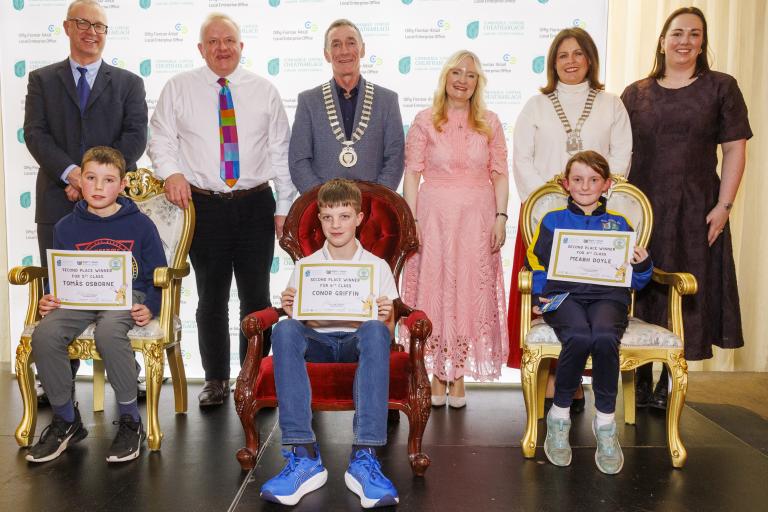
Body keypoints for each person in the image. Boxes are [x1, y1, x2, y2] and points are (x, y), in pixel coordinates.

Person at [148, 13, 296, 407]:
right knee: (210, 297)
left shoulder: (264, 90)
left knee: (257, 299)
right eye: (212, 41)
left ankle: (257, 378)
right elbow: (160, 139)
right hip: (204, 207)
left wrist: (283, 207)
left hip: (255, 206)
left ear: (241, 46)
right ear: (201, 49)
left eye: (228, 40)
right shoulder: (178, 88)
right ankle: (215, 379)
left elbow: (281, 153)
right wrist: (172, 173)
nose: (222, 47)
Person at [621, 6, 752, 410]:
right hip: (644, 209)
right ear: (662, 41)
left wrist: (724, 206)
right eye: (677, 33)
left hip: (698, 208)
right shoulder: (635, 93)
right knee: (643, 290)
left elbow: (734, 149)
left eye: (694, 34)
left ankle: (669, 381)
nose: (685, 41)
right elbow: (620, 155)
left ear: (702, 42)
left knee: (688, 291)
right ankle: (641, 378)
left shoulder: (721, 87)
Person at [23, 0, 148, 403]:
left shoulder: (128, 82)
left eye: (99, 25)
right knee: (62, 288)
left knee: (123, 283)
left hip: (112, 204)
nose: (91, 31)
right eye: (83, 23)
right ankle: (57, 379)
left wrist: (101, 179)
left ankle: (130, 372)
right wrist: (73, 175)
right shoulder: (42, 79)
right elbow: (36, 134)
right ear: (66, 27)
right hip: (57, 198)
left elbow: (135, 137)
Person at [509, 27, 632, 412]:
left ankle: (578, 386)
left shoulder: (611, 103)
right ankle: (550, 382)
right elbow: (522, 159)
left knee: (590, 303)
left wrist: (590, 200)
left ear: (590, 59)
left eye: (578, 53)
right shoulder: (536, 104)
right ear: (553, 62)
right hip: (546, 223)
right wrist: (548, 206)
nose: (571, 61)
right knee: (556, 300)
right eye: (562, 55)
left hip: (594, 222)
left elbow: (621, 156)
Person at [260, 179, 399, 508]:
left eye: (344, 216)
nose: (336, 225)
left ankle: (365, 455)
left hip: (357, 341)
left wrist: (385, 316)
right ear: (319, 220)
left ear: (360, 218)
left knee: (377, 331)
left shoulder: (377, 268)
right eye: (328, 217)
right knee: (284, 329)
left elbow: (389, 332)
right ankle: (303, 454)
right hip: (318, 341)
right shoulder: (306, 267)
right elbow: (302, 321)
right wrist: (293, 309)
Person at [25, 146, 166, 464]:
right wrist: (50, 295)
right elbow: (60, 272)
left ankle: (131, 419)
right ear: (78, 183)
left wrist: (152, 307)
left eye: (108, 179)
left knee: (108, 332)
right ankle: (65, 419)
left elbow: (159, 272)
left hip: (126, 299)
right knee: (45, 334)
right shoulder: (65, 227)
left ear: (121, 185)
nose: (99, 187)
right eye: (91, 178)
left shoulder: (141, 226)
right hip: (78, 299)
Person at [528, 151, 653, 475]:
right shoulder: (552, 221)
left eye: (594, 179)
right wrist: (542, 299)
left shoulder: (620, 224)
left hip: (608, 298)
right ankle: (559, 417)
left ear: (606, 184)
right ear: (566, 184)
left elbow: (635, 279)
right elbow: (537, 266)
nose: (586, 186)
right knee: (579, 335)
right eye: (578, 179)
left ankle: (606, 424)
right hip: (561, 297)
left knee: (602, 335)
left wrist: (642, 264)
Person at [401, 50, 509, 408]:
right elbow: (412, 174)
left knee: (466, 291)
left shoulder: (490, 122)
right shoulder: (424, 120)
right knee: (436, 290)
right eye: (457, 72)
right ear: (446, 77)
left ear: (478, 83)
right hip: (434, 220)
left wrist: (501, 217)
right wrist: (413, 220)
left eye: (471, 75)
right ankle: (436, 374)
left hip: (477, 221)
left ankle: (458, 374)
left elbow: (500, 174)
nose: (463, 80)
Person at [289, 19, 404, 193]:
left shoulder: (387, 100)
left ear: (362, 49)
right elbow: (299, 159)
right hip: (324, 212)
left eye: (351, 43)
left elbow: (395, 158)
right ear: (326, 54)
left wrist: (375, 200)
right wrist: (322, 200)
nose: (344, 51)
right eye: (336, 45)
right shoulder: (308, 101)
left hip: (372, 209)